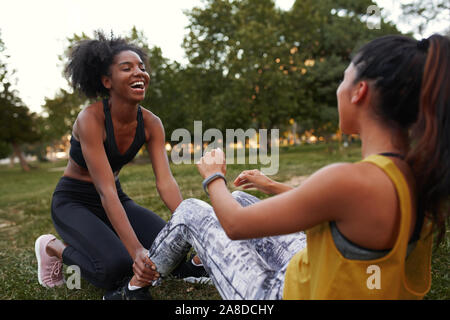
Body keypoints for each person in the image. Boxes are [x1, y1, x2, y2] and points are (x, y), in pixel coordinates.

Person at [129, 34, 449, 299]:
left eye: (343, 78)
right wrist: (270, 186)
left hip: (280, 294)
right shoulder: (417, 175)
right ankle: (201, 266)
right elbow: (335, 209)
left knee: (191, 212)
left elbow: (236, 225)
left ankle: (141, 280)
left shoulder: (350, 179)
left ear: (359, 92)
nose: (339, 88)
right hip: (324, 276)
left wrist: (214, 177)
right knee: (241, 199)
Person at [34, 31, 207, 300]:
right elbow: (105, 192)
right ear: (106, 81)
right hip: (74, 202)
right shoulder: (90, 120)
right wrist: (136, 249)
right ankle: (52, 248)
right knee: (116, 269)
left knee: (170, 248)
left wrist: (193, 229)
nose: (139, 72)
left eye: (141, 67)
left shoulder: (151, 123)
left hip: (117, 199)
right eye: (126, 68)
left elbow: (165, 181)